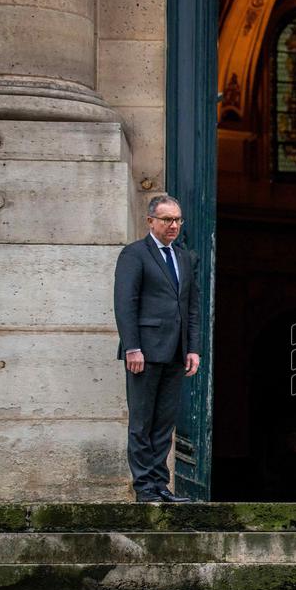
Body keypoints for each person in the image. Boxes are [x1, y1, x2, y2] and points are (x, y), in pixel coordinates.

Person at [114, 195, 200, 503]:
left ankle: (160, 485)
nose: (174, 225)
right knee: (142, 422)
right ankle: (144, 488)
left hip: (176, 352)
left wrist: (193, 348)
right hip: (144, 353)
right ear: (151, 221)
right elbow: (125, 303)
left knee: (164, 423)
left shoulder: (185, 258)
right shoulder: (134, 254)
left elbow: (191, 307)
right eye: (167, 220)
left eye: (177, 220)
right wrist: (132, 347)